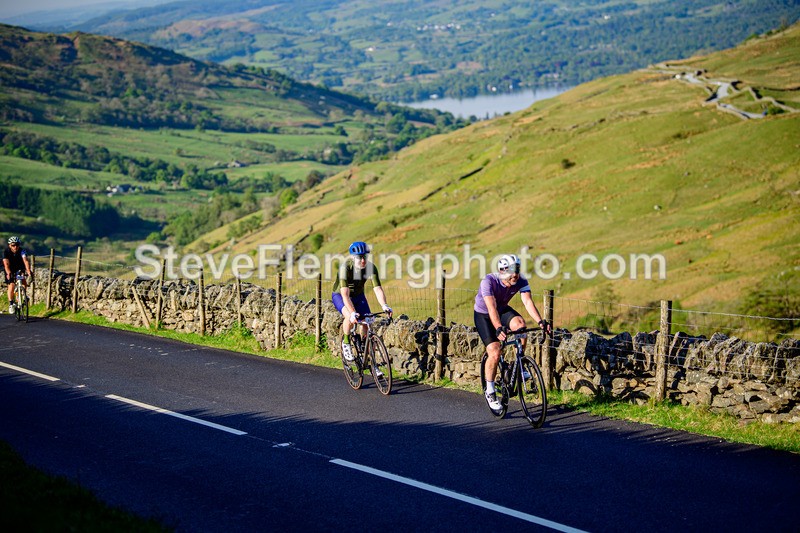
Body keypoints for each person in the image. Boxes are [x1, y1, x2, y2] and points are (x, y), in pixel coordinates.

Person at [474, 254, 551, 412]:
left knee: (520, 325)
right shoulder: (488, 282)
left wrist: (540, 321)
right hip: (484, 314)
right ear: (502, 271)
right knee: (495, 352)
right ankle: (490, 391)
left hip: (501, 310)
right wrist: (498, 327)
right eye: (512, 271)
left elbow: (527, 301)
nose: (515, 274)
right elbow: (491, 308)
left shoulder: (521, 280)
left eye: (517, 270)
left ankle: (519, 364)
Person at [332, 241, 392, 361]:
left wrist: (384, 305)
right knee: (349, 317)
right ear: (353, 258)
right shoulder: (345, 268)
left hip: (359, 296)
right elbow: (345, 295)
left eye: (365, 257)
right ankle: (346, 343)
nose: (363, 261)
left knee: (367, 321)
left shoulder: (371, 268)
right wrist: (353, 312)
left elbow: (378, 289)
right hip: (340, 295)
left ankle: (365, 350)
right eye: (360, 258)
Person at [4, 236, 33, 314]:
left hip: (19, 268)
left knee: (23, 282)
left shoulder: (22, 251)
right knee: (12, 285)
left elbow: (25, 261)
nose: (15, 247)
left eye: (17, 245)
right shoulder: (6, 252)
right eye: (13, 245)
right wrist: (8, 273)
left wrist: (28, 270)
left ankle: (23, 296)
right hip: (10, 269)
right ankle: (11, 304)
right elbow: (6, 264)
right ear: (9, 245)